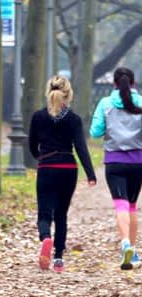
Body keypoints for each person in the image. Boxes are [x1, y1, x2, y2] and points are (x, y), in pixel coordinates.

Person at [29, 75, 96, 272]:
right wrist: (90, 173)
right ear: (68, 94)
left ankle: (46, 238)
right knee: (61, 214)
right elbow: (81, 147)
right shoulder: (74, 119)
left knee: (44, 213)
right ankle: (58, 258)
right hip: (68, 169)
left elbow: (32, 146)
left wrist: (41, 158)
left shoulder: (38, 117)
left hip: (47, 168)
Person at [90, 67, 142, 270]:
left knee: (121, 206)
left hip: (115, 162)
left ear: (114, 83)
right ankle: (134, 252)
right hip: (138, 162)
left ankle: (125, 245)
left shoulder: (105, 103)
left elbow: (95, 132)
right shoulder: (141, 102)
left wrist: (111, 128)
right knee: (132, 206)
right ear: (133, 83)